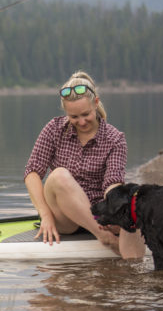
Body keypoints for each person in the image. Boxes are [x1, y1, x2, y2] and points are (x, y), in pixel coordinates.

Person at [23, 71, 145, 258]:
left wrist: (119, 210)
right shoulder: (54, 129)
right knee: (59, 175)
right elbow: (32, 172)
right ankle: (103, 237)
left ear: (96, 103)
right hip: (64, 218)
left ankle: (132, 272)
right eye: (74, 117)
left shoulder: (115, 139)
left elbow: (112, 182)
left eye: (86, 114)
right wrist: (45, 214)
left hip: (99, 213)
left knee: (131, 202)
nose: (81, 122)